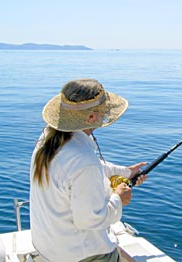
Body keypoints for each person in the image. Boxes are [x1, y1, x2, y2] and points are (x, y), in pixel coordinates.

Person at [30, 78, 147, 262]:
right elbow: (90, 220)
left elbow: (88, 168)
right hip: (80, 255)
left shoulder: (49, 138)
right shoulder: (84, 161)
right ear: (91, 117)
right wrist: (118, 198)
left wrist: (127, 172)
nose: (106, 114)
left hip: (50, 248)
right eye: (104, 111)